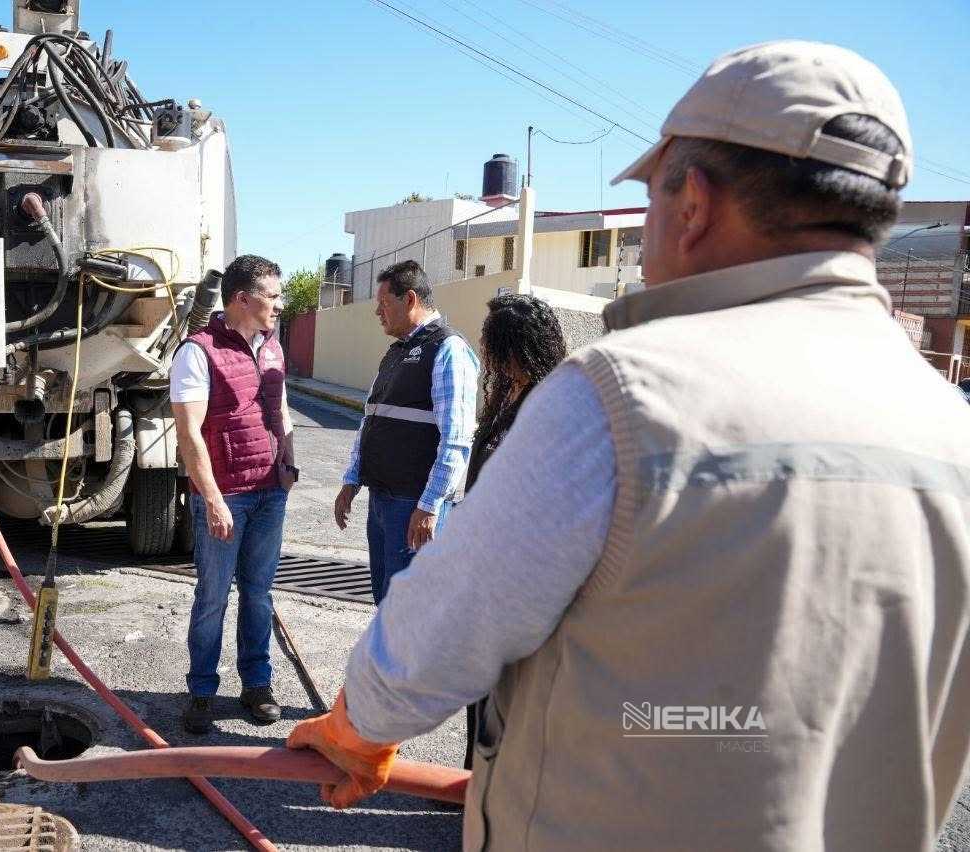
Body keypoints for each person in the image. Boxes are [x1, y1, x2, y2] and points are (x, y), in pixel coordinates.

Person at [289, 41, 970, 850]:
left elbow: (439, 633)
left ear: (695, 203)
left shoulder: (622, 397)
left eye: (650, 195)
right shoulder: (950, 427)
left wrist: (356, 730)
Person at [171, 254, 296, 734]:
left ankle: (256, 686)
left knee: (259, 596)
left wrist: (287, 460)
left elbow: (281, 408)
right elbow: (190, 435)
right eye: (274, 295)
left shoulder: (272, 347)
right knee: (213, 597)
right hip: (228, 497)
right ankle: (202, 691)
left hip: (270, 492)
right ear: (243, 298)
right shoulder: (197, 352)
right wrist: (213, 498)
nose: (281, 305)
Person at [459, 293, 567, 771]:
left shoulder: (551, 406)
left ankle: (500, 785)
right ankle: (476, 777)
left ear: (516, 348)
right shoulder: (509, 394)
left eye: (492, 343)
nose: (485, 350)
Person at [333, 260, 479, 603]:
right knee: (387, 604)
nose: (378, 313)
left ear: (410, 299)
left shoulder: (447, 349)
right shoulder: (396, 353)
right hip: (383, 501)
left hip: (413, 506)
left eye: (384, 304)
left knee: (409, 612)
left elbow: (455, 440)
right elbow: (371, 418)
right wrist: (352, 480)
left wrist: (429, 506)